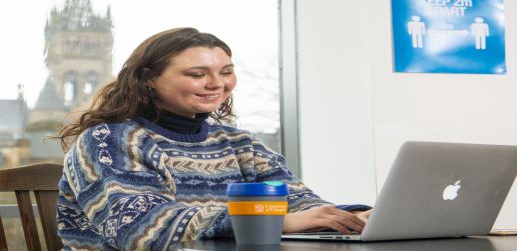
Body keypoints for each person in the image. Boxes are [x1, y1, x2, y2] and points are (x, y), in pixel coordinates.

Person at [55, 27, 372, 250]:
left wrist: (351, 217)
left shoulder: (239, 143)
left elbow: (298, 202)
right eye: (197, 74)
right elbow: (144, 231)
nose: (216, 84)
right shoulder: (109, 140)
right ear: (148, 78)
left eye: (226, 72)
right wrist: (277, 222)